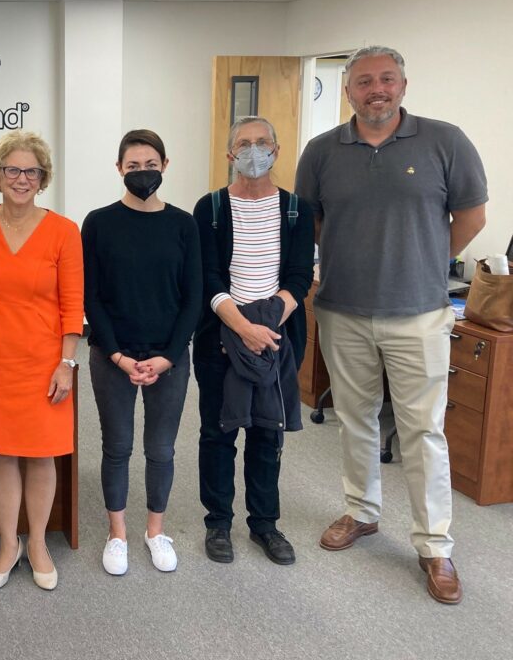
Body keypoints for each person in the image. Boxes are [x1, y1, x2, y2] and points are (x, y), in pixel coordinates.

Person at [295, 46, 487, 604]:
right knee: (354, 419)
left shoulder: (444, 141)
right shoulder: (323, 150)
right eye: (362, 82)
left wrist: (424, 261)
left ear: (403, 84)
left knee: (422, 431)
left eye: (385, 79)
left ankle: (434, 545)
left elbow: (472, 215)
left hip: (419, 312)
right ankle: (362, 512)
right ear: (348, 90)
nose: (375, 89)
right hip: (342, 308)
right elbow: (312, 220)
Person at [0, 131, 84, 591]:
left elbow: (73, 304)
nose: (21, 178)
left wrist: (66, 363)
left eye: (31, 171)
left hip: (44, 360)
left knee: (41, 455)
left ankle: (37, 544)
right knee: (3, 455)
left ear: (43, 178)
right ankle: (8, 545)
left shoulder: (64, 231)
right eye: (12, 169)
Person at [192, 116, 314, 567]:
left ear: (277, 151)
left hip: (277, 339)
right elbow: (207, 276)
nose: (254, 151)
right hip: (220, 338)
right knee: (218, 431)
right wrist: (243, 327)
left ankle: (264, 524)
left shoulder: (296, 210)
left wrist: (269, 328)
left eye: (263, 143)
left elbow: (300, 278)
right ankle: (218, 522)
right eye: (244, 144)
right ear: (230, 156)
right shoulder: (211, 208)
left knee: (267, 432)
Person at [82, 129, 202, 576]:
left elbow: (193, 297)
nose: (142, 173)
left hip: (168, 357)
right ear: (119, 170)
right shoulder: (97, 223)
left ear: (165, 166)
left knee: (161, 449)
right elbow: (90, 296)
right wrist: (116, 355)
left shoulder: (183, 224)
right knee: (116, 447)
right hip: (112, 355)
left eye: (150, 165)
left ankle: (155, 531)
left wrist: (169, 356)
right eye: (132, 166)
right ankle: (118, 535)